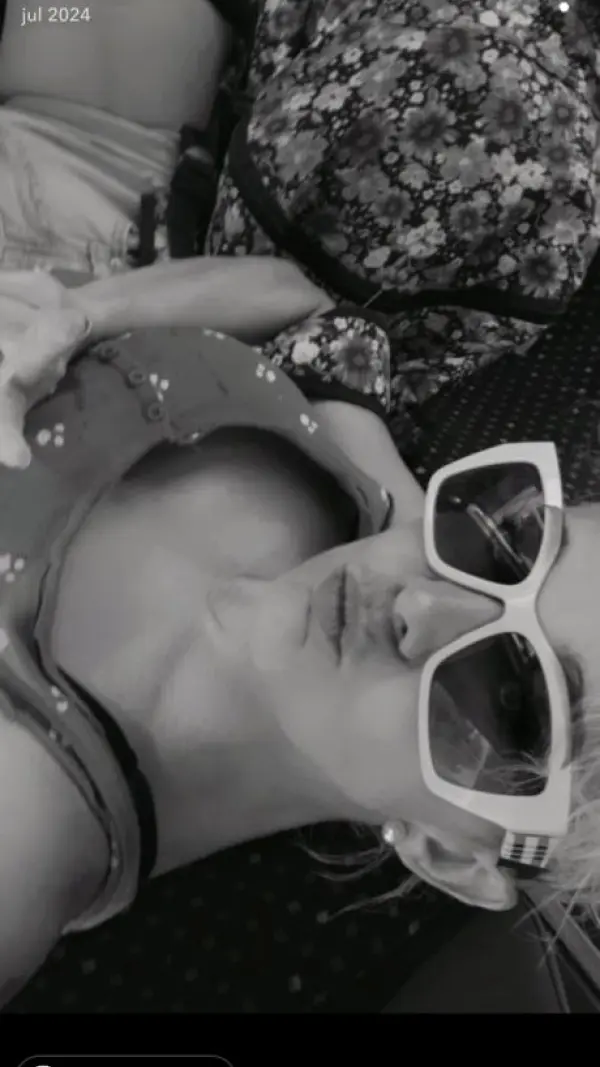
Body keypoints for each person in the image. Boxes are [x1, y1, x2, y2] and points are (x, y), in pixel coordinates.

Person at [0, 0, 599, 1009]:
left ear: (452, 853)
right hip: (117, 161)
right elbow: (301, 304)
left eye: (513, 701)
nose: (424, 603)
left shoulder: (30, 816)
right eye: (517, 539)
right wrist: (81, 313)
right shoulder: (395, 518)